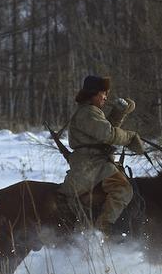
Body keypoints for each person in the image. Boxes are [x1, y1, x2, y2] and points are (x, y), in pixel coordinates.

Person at [58, 75, 144, 236]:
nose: (106, 97)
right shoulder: (87, 112)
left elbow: (105, 129)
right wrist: (130, 137)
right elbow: (108, 134)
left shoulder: (92, 112)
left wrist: (119, 112)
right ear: (93, 94)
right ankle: (102, 229)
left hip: (96, 163)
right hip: (90, 165)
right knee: (123, 189)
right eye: (103, 93)